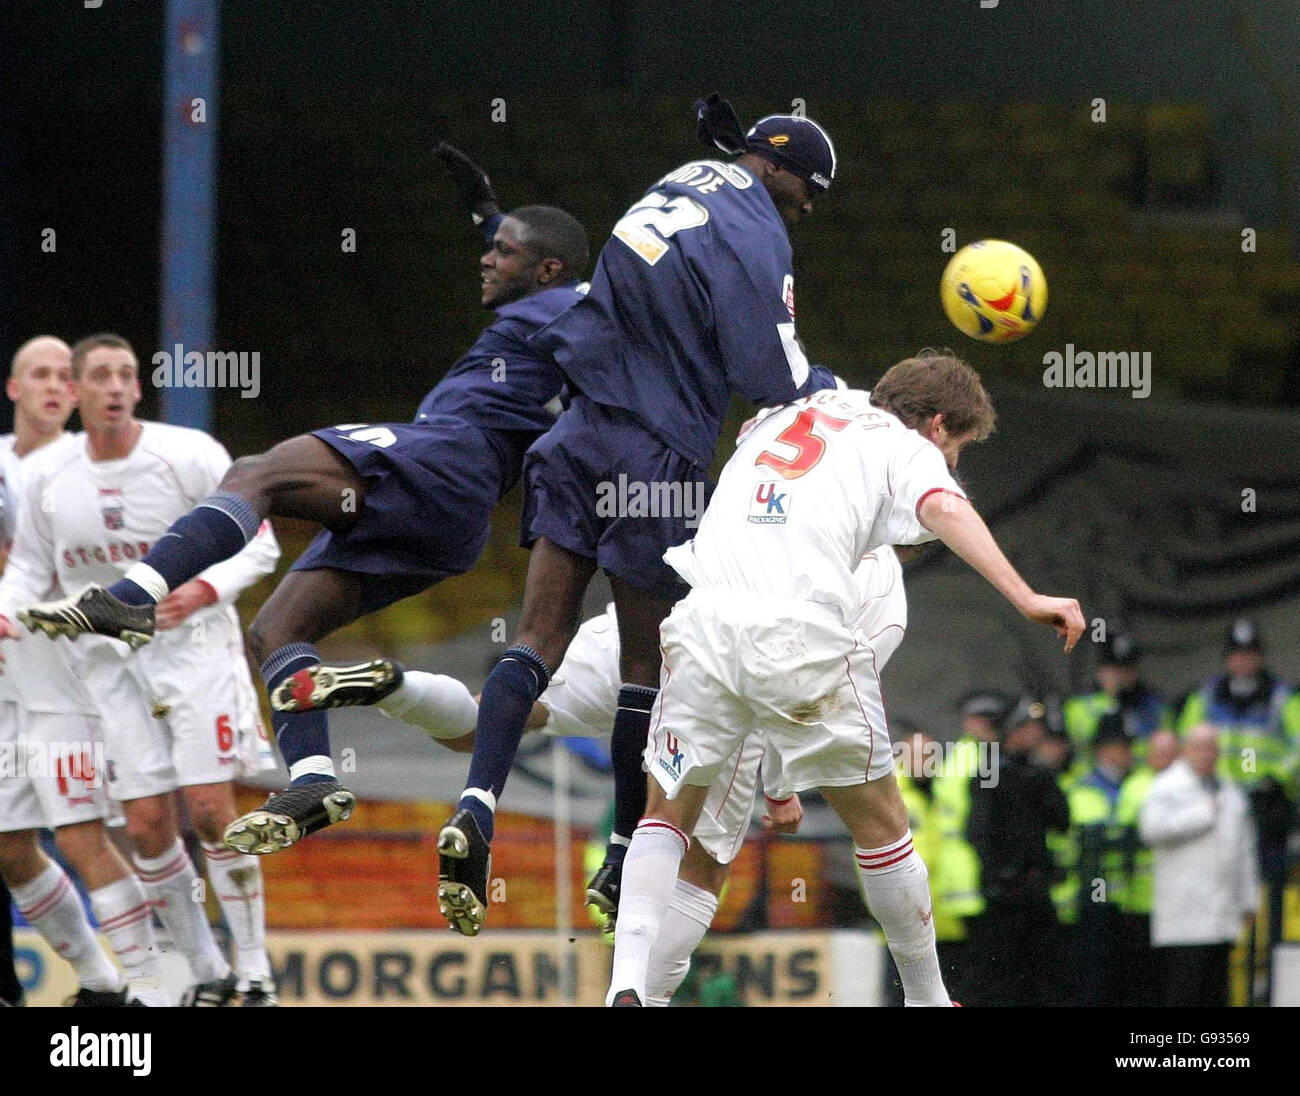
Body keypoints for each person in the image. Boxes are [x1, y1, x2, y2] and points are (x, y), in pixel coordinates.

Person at [14, 149, 591, 862]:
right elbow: (536, 255)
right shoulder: (555, 300)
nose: (487, 259)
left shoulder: (579, 304)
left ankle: (134, 596)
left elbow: (607, 294)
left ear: (548, 272)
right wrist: (485, 211)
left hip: (443, 457)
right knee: (281, 627)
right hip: (449, 520)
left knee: (259, 473)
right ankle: (314, 781)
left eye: (502, 254)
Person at [433, 97, 843, 936]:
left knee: (536, 638)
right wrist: (835, 394)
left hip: (575, 433)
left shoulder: (672, 184)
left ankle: (477, 799)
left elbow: (558, 274)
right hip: (655, 458)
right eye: (809, 195)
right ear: (782, 172)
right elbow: (769, 370)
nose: (805, 212)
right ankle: (624, 850)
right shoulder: (756, 225)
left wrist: (488, 215)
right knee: (644, 665)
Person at [605, 354, 1085, 1007]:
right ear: (938, 424)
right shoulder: (900, 445)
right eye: (957, 449)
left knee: (666, 814)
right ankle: (927, 997)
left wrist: (775, 784)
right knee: (883, 826)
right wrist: (1026, 595)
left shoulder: (795, 410)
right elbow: (942, 504)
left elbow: (756, 429)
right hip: (798, 632)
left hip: (700, 623)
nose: (951, 464)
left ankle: (625, 986)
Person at [313, 546, 907, 1002]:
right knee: (701, 859)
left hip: (636, 631)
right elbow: (809, 688)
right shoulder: (874, 576)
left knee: (493, 721)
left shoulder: (773, 469)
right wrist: (779, 786)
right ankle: (641, 997)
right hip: (718, 670)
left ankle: (398, 687)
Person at [0, 333, 282, 1005]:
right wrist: (8, 611)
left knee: (213, 810)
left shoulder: (187, 454)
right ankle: (202, 971)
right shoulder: (49, 476)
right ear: (79, 390)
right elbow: (32, 569)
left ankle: (256, 974)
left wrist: (206, 590)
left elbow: (259, 540)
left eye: (128, 374)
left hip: (194, 650)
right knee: (149, 825)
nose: (119, 387)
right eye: (103, 376)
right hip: (106, 661)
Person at [0, 335, 167, 1005]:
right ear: (13, 388)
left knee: (83, 833)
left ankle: (155, 987)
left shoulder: (94, 468)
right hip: (7, 673)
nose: (49, 386)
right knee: (10, 847)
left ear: (77, 392)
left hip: (72, 675)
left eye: (59, 376)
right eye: (33, 374)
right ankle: (102, 987)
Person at [1140, 724, 1258, 1007]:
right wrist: (1204, 813)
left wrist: (1249, 901)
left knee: (1216, 992)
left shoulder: (1230, 791)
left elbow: (1245, 852)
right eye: (1199, 747)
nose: (1207, 754)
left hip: (1221, 913)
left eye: (1212, 748)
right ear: (1186, 751)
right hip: (1184, 915)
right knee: (1185, 992)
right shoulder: (1167, 786)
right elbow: (1152, 830)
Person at [967, 696, 1072, 1007]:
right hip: (1005, 891)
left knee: (1045, 973)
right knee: (1002, 976)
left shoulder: (1038, 773)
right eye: (1029, 727)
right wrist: (997, 876)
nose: (1036, 734)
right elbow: (979, 831)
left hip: (1036, 887)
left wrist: (1044, 781)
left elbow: (1062, 820)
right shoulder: (991, 771)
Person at [1064, 631, 1168, 774]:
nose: (1122, 677)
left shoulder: (1153, 705)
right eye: (1115, 670)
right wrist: (1113, 701)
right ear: (1101, 671)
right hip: (1092, 779)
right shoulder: (1078, 706)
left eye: (1127, 670)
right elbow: (1083, 744)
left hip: (1143, 779)